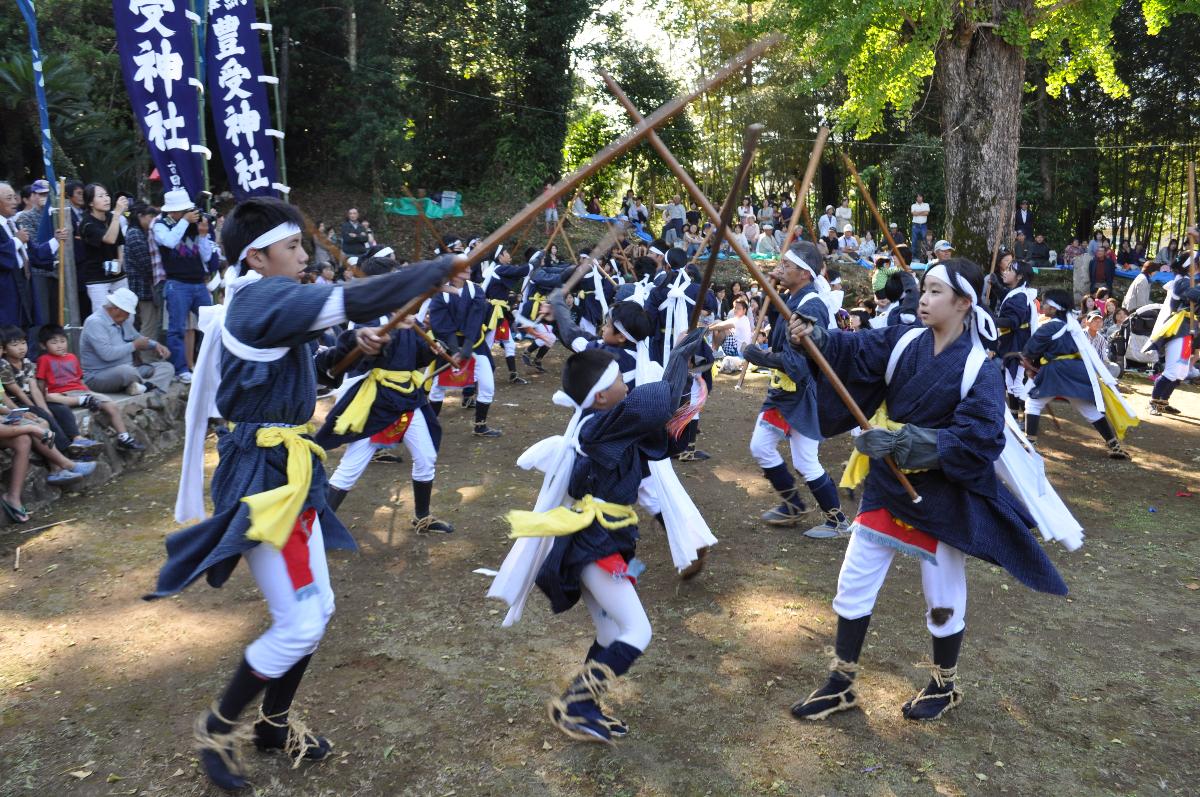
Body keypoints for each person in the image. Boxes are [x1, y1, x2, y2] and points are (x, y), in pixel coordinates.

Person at [152, 197, 455, 792]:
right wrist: (437, 270)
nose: (303, 255)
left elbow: (299, 368)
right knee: (300, 621)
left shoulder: (261, 299)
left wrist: (346, 352)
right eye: (292, 247)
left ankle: (272, 723)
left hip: (289, 475)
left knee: (317, 613)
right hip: (264, 481)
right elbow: (357, 296)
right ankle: (216, 730)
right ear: (257, 255)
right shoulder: (262, 296)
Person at [785, 257, 1072, 723]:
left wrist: (903, 441)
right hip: (887, 486)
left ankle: (944, 683)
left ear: (963, 303)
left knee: (941, 596)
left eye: (936, 291)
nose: (924, 298)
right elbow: (854, 351)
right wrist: (817, 338)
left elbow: (979, 438)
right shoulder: (902, 341)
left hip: (941, 495)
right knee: (853, 581)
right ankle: (840, 683)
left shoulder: (979, 368)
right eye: (924, 288)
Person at [487, 330, 708, 744]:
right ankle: (577, 705)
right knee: (637, 632)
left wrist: (681, 366)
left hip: (603, 543)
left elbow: (654, 421)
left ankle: (584, 705)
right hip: (596, 546)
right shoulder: (597, 429)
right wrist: (676, 360)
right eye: (620, 382)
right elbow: (651, 404)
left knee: (610, 634)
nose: (628, 384)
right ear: (602, 398)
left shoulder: (609, 427)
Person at [314, 257, 452, 533]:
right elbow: (353, 357)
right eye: (393, 280)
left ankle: (422, 517)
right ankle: (316, 529)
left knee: (426, 457)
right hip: (375, 401)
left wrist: (433, 349)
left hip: (408, 398)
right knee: (350, 468)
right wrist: (378, 341)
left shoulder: (406, 314)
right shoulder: (367, 318)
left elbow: (414, 357)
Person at [741, 241, 850, 539]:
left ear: (804, 274)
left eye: (787, 266)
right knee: (761, 446)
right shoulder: (792, 298)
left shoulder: (810, 305)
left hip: (802, 395)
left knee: (805, 460)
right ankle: (793, 504)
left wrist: (759, 356)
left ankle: (838, 521)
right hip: (783, 393)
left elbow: (798, 365)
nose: (780, 269)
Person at [1022, 288, 1136, 457]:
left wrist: (1029, 364)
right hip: (1078, 371)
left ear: (1054, 308)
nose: (1043, 306)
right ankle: (1114, 446)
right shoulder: (1074, 327)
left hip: (1055, 371)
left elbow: (1030, 351)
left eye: (1045, 303)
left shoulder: (1048, 328)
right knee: (1090, 411)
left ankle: (1030, 442)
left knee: (1033, 403)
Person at [427, 258, 503, 437]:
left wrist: (467, 347)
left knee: (487, 385)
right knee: (438, 387)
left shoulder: (476, 290)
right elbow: (441, 324)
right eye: (463, 267)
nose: (469, 268)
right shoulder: (440, 294)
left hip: (474, 343)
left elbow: (475, 319)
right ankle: (430, 427)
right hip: (448, 345)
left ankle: (480, 426)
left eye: (469, 265)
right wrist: (454, 350)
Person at [35, 324, 144, 451]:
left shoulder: (72, 357)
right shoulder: (44, 359)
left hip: (79, 391)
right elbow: (41, 382)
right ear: (43, 345)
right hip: (60, 393)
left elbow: (80, 379)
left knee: (111, 405)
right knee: (50, 397)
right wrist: (42, 397)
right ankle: (83, 400)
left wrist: (88, 392)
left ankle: (124, 437)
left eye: (62, 341)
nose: (59, 345)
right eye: (54, 342)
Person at [1, 325, 101, 459]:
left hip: (30, 398)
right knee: (44, 415)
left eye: (23, 343)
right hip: (17, 403)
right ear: (5, 349)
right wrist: (39, 409)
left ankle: (77, 438)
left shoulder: (27, 362)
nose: (21, 348)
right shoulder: (4, 366)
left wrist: (43, 406)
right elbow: (18, 392)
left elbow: (34, 388)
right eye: (15, 345)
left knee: (61, 409)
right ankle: (65, 449)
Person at [153, 190, 215, 383]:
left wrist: (203, 235)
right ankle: (180, 370)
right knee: (176, 330)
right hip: (177, 284)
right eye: (185, 210)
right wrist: (186, 222)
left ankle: (213, 364)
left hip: (199, 283)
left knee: (213, 325)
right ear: (173, 211)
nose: (190, 213)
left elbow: (205, 257)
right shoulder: (160, 225)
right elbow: (170, 242)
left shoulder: (191, 224)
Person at [79, 288, 174, 394]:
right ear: (116, 309)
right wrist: (134, 345)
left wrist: (155, 345)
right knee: (127, 372)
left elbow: (137, 337)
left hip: (130, 370)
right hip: (99, 376)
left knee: (166, 367)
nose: (128, 316)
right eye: (127, 312)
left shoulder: (122, 321)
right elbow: (107, 354)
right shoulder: (95, 322)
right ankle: (151, 387)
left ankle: (144, 387)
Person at [1145, 235, 1200, 415]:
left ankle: (1163, 401)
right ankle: (1154, 403)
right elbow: (1195, 295)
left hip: (1186, 331)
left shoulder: (1188, 281)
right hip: (1177, 330)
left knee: (1182, 371)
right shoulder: (1181, 282)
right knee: (1172, 370)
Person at [0, 181, 66, 330]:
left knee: (25, 330)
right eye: (8, 198)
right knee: (8, 333)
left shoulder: (13, 224)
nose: (14, 201)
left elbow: (34, 253)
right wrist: (17, 240)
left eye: (14, 197)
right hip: (6, 289)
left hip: (25, 285)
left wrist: (56, 240)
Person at [991, 257, 1038, 414]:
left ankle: (1024, 417)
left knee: (1015, 382)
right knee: (1011, 381)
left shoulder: (1020, 296)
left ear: (1019, 277)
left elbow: (1013, 321)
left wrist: (991, 320)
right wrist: (996, 286)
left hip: (1017, 343)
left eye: (1010, 270)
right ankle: (1016, 416)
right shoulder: (1017, 293)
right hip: (1014, 342)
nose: (1005, 271)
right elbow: (1006, 295)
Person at [76, 183, 129, 315]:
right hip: (97, 278)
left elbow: (119, 243)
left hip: (118, 275)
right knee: (102, 316)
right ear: (90, 203)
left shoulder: (111, 217)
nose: (106, 199)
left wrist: (120, 262)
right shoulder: (87, 224)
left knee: (127, 314)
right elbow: (109, 238)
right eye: (100, 196)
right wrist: (117, 214)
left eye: (106, 195)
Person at [124, 204, 165, 344]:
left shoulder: (142, 232)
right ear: (140, 216)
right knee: (149, 323)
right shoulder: (135, 234)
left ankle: (148, 355)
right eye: (151, 217)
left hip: (145, 285)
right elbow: (146, 263)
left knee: (150, 322)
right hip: (142, 286)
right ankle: (147, 356)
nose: (153, 220)